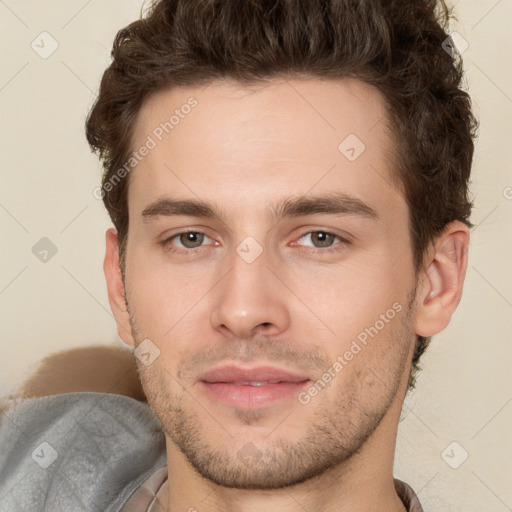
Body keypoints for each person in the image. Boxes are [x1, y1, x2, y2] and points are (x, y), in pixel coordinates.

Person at [0, 0, 477, 510]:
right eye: (190, 239)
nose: (244, 311)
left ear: (436, 280)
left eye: (320, 238)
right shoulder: (33, 460)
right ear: (119, 285)